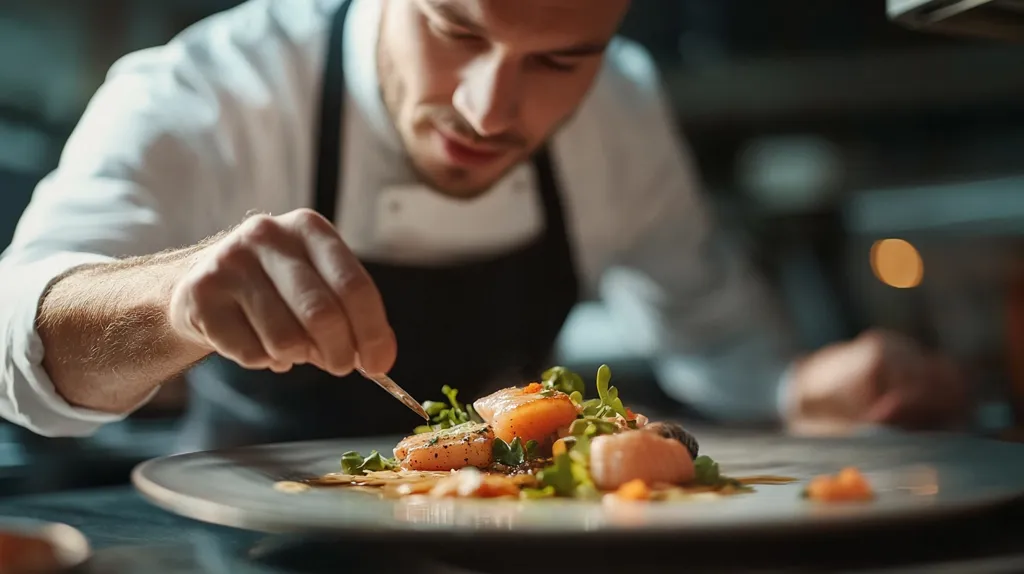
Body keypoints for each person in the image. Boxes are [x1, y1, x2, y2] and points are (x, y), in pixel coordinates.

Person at [0, 0, 966, 450]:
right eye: (457, 32)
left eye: (557, 64)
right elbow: (18, 364)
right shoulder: (209, 89)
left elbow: (717, 338)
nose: (491, 109)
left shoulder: (621, 109)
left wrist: (813, 387)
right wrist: (173, 299)